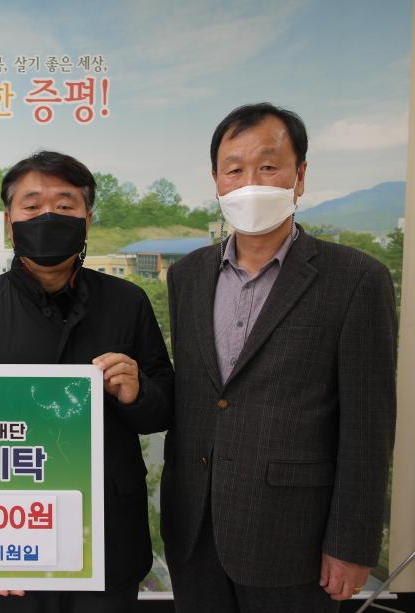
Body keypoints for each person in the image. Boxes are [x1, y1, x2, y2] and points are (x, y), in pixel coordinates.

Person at [161, 103, 398, 612]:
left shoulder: (356, 280)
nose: (250, 183)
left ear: (300, 176)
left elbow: (368, 425)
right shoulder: (187, 276)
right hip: (194, 530)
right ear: (216, 181)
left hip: (294, 539)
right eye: (234, 169)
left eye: (268, 166)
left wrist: (353, 543)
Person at [0, 151, 174, 612]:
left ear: (87, 220)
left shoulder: (127, 301)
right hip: (9, 533)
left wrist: (138, 392)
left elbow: (165, 407)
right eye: (32, 206)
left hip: (108, 529)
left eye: (65, 206)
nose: (48, 216)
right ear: (9, 223)